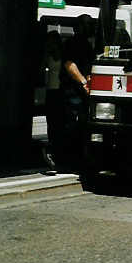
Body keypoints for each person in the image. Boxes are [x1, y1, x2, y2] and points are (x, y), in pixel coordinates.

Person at [57, 14, 96, 169]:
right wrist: (84, 82)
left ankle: (76, 157)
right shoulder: (72, 43)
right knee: (72, 124)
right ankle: (68, 159)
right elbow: (69, 64)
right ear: (79, 27)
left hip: (80, 90)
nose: (91, 28)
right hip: (73, 91)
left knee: (80, 125)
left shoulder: (86, 43)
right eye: (88, 25)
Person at [42, 30, 64, 170]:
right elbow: (40, 67)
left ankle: (57, 148)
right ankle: (52, 145)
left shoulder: (63, 54)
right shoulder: (47, 54)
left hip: (59, 90)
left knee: (58, 121)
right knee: (51, 121)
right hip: (50, 90)